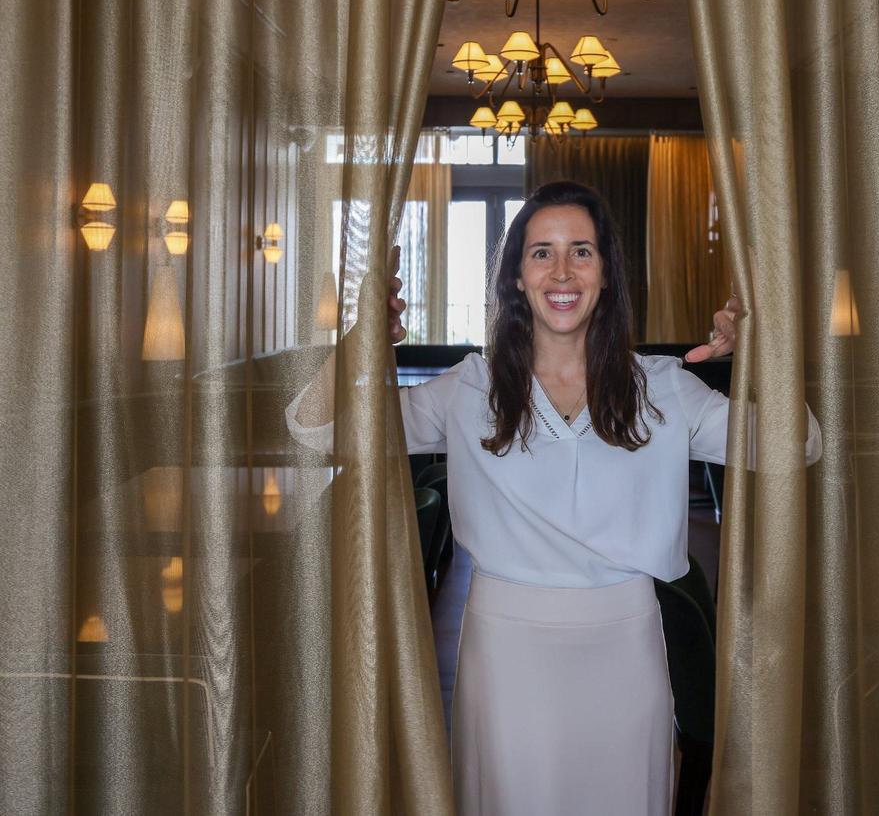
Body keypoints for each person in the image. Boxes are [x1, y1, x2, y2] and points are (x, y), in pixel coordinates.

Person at [286, 180, 822, 815]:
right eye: (541, 252)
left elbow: (799, 446)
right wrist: (363, 336)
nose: (562, 271)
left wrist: (763, 348)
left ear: (606, 274)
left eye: (582, 251)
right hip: (505, 653)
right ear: (516, 275)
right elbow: (313, 428)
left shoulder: (664, 388)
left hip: (628, 650)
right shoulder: (470, 388)